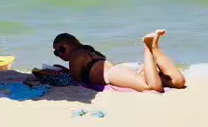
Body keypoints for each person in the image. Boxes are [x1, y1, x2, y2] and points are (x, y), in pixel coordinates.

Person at [51, 29, 187, 92]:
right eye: (56, 53)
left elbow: (76, 80)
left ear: (71, 43)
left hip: (114, 74)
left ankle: (148, 47)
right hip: (124, 69)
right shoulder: (87, 51)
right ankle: (155, 49)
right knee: (178, 82)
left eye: (61, 49)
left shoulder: (76, 55)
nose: (60, 54)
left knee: (153, 87)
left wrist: (51, 75)